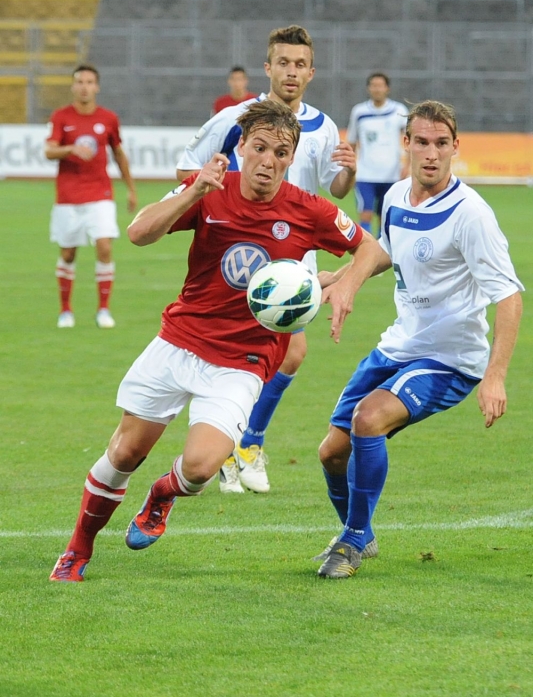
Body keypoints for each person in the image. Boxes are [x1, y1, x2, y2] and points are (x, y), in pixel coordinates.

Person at [49, 99, 383, 583]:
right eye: (260, 148)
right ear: (242, 146)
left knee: (201, 469)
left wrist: (345, 284)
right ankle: (77, 550)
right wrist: (194, 190)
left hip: (242, 361)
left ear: (291, 158)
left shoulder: (308, 209)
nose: (268, 161)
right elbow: (139, 233)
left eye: (281, 153)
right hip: (180, 340)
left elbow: (372, 249)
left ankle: (162, 494)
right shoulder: (210, 188)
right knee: (122, 455)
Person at [313, 99, 524, 579]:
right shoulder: (395, 197)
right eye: (423, 142)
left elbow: (509, 296)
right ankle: (360, 532)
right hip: (399, 344)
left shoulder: (471, 214)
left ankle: (352, 540)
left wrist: (495, 377)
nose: (431, 154)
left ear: (455, 147)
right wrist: (339, 277)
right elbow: (387, 251)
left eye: (441, 144)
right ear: (406, 143)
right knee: (332, 452)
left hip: (451, 358)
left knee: (369, 420)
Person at [178, 24, 356, 495]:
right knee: (268, 349)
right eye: (283, 63)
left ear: (311, 72)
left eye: (300, 65)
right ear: (268, 67)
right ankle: (235, 442)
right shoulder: (237, 118)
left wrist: (349, 173)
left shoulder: (322, 127)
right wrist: (221, 197)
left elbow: (334, 188)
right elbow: (187, 165)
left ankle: (242, 442)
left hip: (296, 257)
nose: (291, 72)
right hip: (239, 256)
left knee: (290, 354)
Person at [45, 64, 137, 329]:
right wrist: (70, 148)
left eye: (89, 82)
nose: (84, 87)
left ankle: (103, 309)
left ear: (96, 87)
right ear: (73, 86)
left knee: (105, 246)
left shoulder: (108, 118)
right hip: (68, 196)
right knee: (68, 253)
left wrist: (130, 188)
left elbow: (118, 154)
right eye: (80, 82)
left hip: (100, 193)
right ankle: (65, 310)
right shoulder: (61, 116)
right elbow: (49, 151)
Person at [346, 72, 409, 237]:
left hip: (391, 174)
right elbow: (352, 142)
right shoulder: (359, 112)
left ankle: (381, 249)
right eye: (374, 85)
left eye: (380, 86)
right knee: (365, 214)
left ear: (387, 88)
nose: (377, 89)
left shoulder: (399, 110)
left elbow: (410, 140)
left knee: (384, 217)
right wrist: (349, 169)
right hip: (365, 174)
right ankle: (366, 248)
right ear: (368, 88)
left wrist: (407, 165)